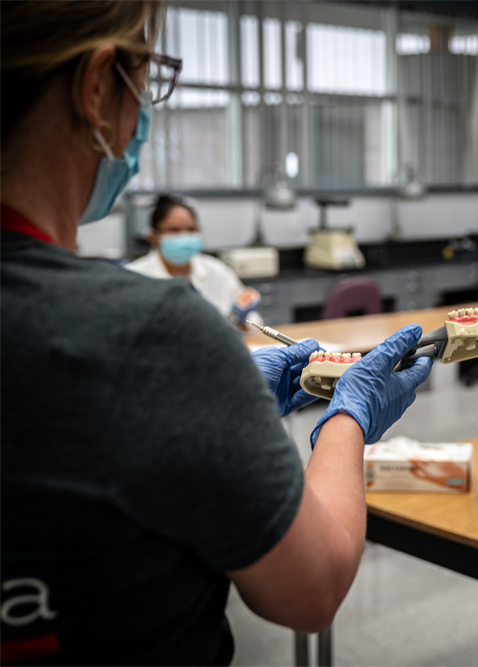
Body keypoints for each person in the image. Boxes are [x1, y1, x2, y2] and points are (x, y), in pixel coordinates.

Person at [0, 2, 432, 664]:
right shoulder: (152, 332)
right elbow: (309, 590)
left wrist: (218, 404)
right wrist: (350, 415)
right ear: (95, 89)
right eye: (147, 78)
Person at [126, 194, 264, 327]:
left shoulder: (216, 270)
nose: (185, 237)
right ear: (153, 236)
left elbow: (253, 319)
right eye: (174, 230)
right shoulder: (134, 276)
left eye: (192, 229)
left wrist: (241, 322)